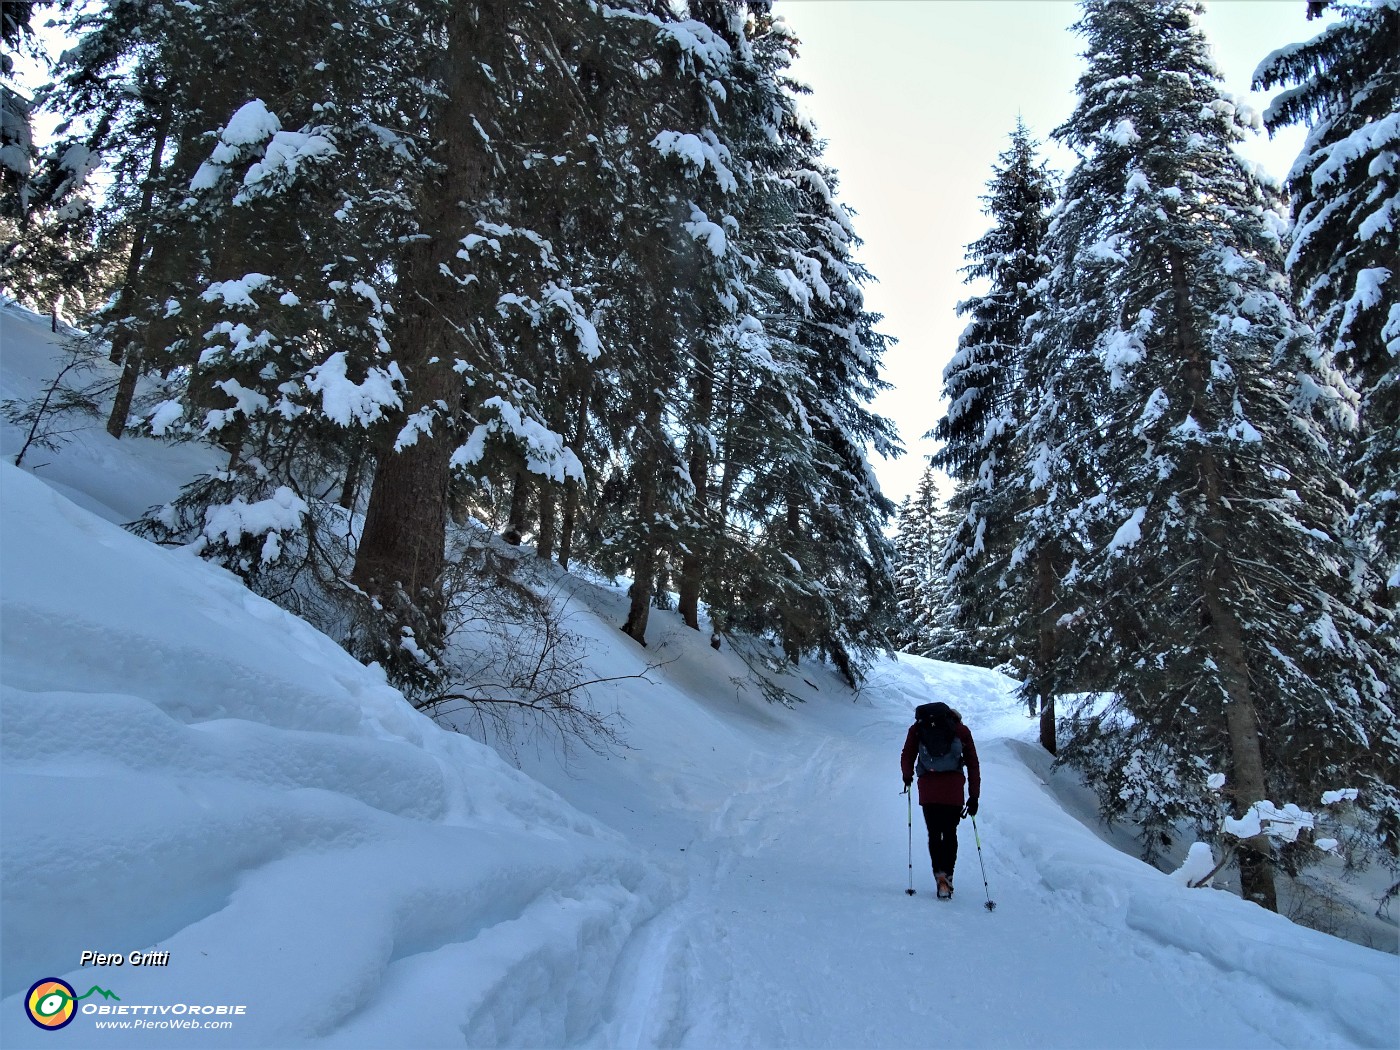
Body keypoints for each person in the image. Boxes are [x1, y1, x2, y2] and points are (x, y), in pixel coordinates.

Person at [901, 701, 980, 900]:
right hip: (953, 789)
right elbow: (973, 764)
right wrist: (974, 795)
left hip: (928, 788)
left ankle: (940, 876)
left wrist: (907, 775)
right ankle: (949, 875)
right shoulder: (961, 730)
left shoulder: (918, 728)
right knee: (950, 832)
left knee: (934, 833)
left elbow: (907, 754)